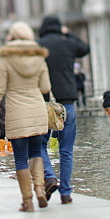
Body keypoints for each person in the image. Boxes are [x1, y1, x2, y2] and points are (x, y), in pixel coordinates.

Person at [0, 21, 51, 211]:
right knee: (36, 153)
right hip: (37, 110)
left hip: (16, 111)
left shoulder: (6, 59)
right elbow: (46, 87)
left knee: (20, 158)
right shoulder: (40, 58)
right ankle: (40, 190)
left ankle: (28, 200)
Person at [38, 14, 90, 204]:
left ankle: (50, 176)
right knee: (66, 150)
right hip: (66, 103)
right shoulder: (67, 42)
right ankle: (66, 193)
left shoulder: (39, 46)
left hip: (45, 103)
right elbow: (85, 48)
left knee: (40, 145)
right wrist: (69, 34)